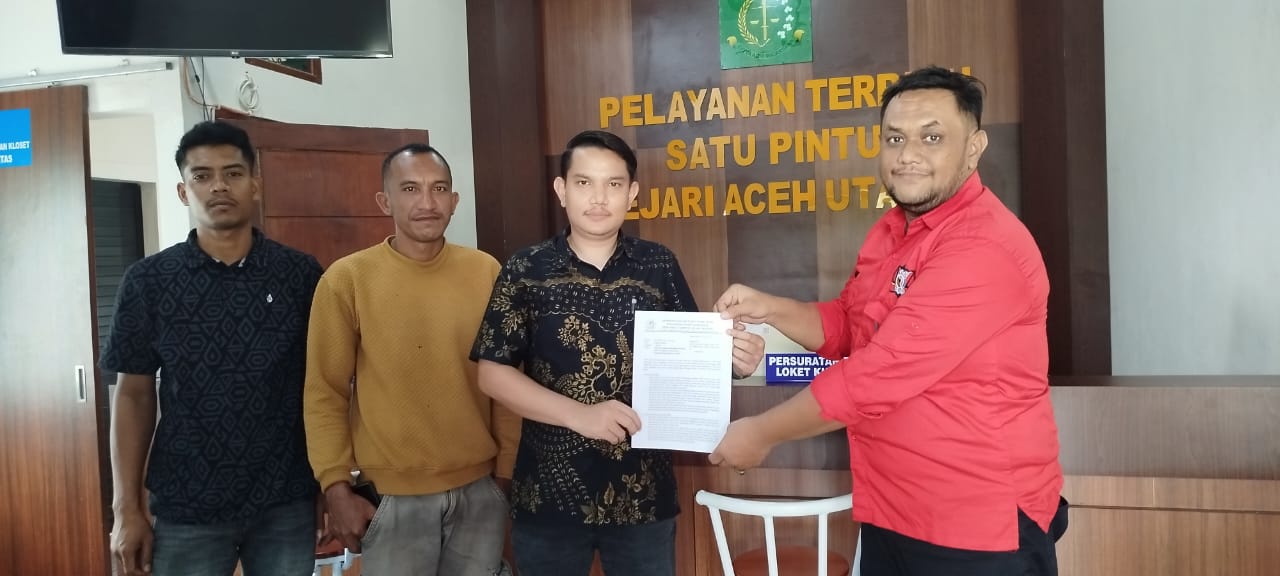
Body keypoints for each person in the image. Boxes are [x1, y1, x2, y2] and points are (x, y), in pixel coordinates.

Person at [709, 67, 1067, 575]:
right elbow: (849, 326)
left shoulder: (984, 245)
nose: (907, 155)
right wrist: (770, 308)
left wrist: (761, 433)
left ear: (974, 148)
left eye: (932, 137)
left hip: (977, 525)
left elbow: (876, 375)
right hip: (893, 510)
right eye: (895, 138)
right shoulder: (895, 229)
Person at [470, 130, 766, 576]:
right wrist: (580, 415)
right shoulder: (526, 268)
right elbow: (492, 373)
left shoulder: (658, 264)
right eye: (583, 182)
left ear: (632, 193)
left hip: (642, 495)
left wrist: (735, 361)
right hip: (549, 496)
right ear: (561, 190)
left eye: (613, 184)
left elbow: (692, 355)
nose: (598, 197)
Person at [103, 120, 324, 576]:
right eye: (202, 176)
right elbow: (134, 395)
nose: (218, 186)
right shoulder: (149, 281)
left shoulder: (300, 275)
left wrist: (332, 485)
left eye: (233, 173)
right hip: (187, 502)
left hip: (285, 498)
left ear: (255, 184)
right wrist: (126, 507)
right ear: (183, 191)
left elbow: (324, 386)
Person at [304, 143, 520, 576]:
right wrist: (336, 486)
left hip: (480, 492)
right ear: (384, 201)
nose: (427, 202)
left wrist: (505, 476)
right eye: (410, 189)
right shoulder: (347, 280)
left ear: (454, 201)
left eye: (438, 189)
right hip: (391, 498)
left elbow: (507, 380)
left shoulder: (486, 272)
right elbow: (325, 392)